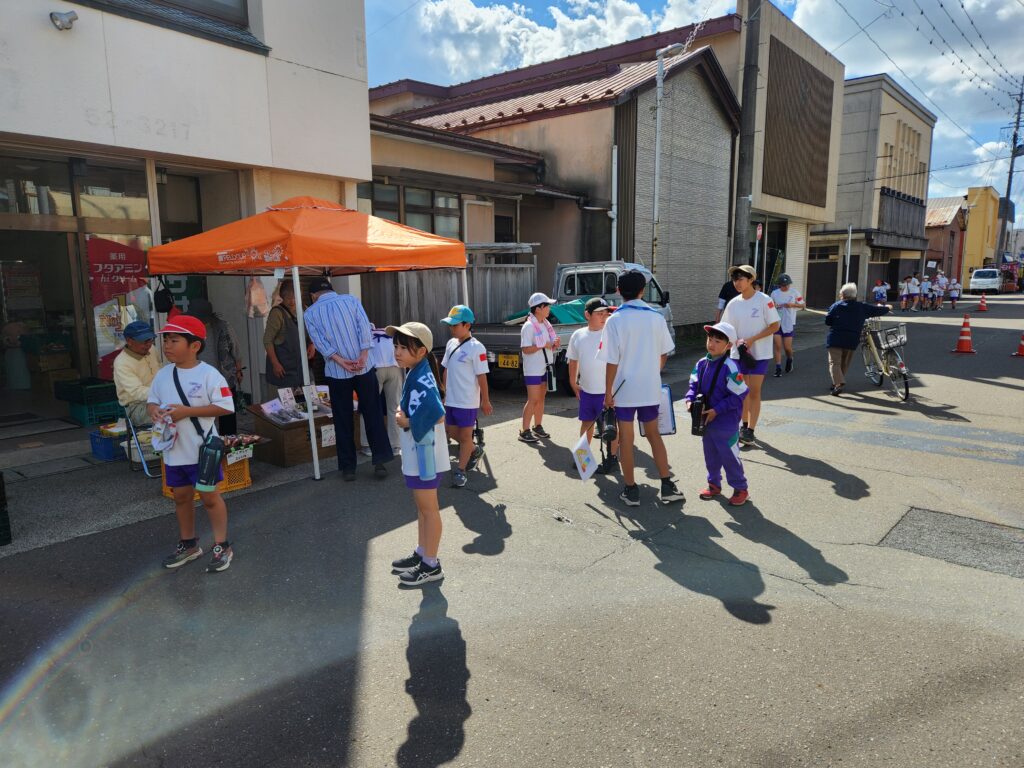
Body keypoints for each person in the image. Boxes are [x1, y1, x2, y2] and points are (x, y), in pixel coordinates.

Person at [147, 315, 236, 573]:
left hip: (202, 450)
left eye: (174, 340)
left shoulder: (210, 374)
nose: (167, 345)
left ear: (195, 345)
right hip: (174, 450)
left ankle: (222, 545)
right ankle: (188, 544)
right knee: (181, 497)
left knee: (210, 498)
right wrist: (154, 410)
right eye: (166, 340)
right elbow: (152, 400)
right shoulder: (163, 375)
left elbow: (225, 407)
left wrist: (187, 412)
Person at [599, 270, 685, 507]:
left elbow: (611, 361)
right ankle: (667, 485)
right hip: (649, 388)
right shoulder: (656, 317)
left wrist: (607, 392)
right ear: (642, 290)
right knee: (654, 434)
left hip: (623, 389)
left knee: (626, 439)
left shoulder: (614, 320)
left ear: (618, 291)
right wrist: (652, 372)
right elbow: (664, 353)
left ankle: (631, 490)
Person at [303, 277, 393, 481]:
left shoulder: (310, 313)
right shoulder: (351, 300)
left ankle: (348, 467)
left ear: (313, 295)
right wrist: (363, 355)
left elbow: (320, 342)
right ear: (331, 289)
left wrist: (341, 361)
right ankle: (380, 460)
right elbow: (364, 328)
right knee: (372, 412)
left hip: (337, 372)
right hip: (364, 367)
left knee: (342, 418)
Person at [387, 322, 447, 587]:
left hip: (425, 454)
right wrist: (404, 413)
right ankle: (423, 553)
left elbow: (438, 413)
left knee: (429, 509)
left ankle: (431, 564)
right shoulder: (416, 372)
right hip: (419, 451)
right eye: (396, 346)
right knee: (423, 508)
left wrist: (407, 421)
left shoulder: (421, 377)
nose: (397, 352)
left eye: (404, 347)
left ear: (421, 351)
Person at [684, 321, 750, 506]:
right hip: (705, 420)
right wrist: (689, 400)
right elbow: (693, 386)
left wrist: (717, 410)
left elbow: (740, 394)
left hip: (726, 422)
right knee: (710, 454)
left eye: (717, 341)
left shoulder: (731, 367)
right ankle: (713, 484)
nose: (711, 344)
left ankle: (740, 488)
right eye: (710, 339)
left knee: (729, 456)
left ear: (728, 346)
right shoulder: (701, 363)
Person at [721, 265, 780, 445]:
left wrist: (752, 340)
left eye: (741, 279)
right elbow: (726, 329)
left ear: (751, 280)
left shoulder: (764, 300)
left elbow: (775, 325)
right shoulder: (733, 303)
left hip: (759, 355)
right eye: (734, 279)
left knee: (754, 391)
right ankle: (744, 426)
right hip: (738, 355)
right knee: (742, 391)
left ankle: (751, 430)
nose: (737, 283)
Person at [440, 305, 492, 488]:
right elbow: (446, 369)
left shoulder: (477, 348)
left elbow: (482, 376)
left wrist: (485, 400)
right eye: (450, 325)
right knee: (451, 431)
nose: (451, 328)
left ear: (467, 325)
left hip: (467, 401)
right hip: (451, 400)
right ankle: (475, 450)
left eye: (455, 325)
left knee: (464, 436)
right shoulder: (450, 344)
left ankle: (460, 471)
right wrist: (444, 392)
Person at [567, 297, 618, 474]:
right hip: (587, 390)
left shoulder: (612, 335)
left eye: (606, 314)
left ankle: (612, 458)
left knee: (610, 427)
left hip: (607, 392)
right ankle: (583, 459)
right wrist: (573, 382)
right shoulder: (578, 335)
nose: (604, 317)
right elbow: (573, 360)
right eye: (599, 314)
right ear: (587, 315)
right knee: (586, 424)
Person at [825, 283, 892, 396]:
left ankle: (838, 383)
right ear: (854, 295)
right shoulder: (862, 307)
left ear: (842, 295)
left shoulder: (836, 306)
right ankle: (837, 382)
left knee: (834, 362)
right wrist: (888, 307)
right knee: (845, 362)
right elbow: (877, 310)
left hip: (835, 338)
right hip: (852, 338)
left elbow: (828, 321)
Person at [191, 297, 243, 435]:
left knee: (227, 413)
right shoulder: (188, 330)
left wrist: (238, 370)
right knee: (203, 416)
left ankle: (228, 441)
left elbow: (236, 350)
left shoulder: (223, 326)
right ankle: (208, 441)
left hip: (225, 378)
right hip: (198, 380)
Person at [519, 292, 559, 444]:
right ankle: (524, 430)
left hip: (546, 367)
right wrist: (543, 345)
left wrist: (554, 344)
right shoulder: (529, 326)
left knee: (541, 398)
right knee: (533, 399)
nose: (549, 308)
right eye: (546, 306)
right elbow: (525, 349)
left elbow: (548, 345)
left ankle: (537, 426)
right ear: (538, 309)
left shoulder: (546, 324)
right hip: (533, 369)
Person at [263, 281, 314, 395]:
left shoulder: (304, 309)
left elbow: (312, 330)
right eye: (288, 298)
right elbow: (267, 340)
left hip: (303, 369)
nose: (292, 301)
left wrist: (312, 344)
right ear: (282, 296)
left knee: (310, 401)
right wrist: (275, 364)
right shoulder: (277, 313)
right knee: (287, 404)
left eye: (295, 298)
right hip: (284, 370)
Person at [113, 320, 160, 425]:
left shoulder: (152, 349)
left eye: (150, 340)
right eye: (144, 341)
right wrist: (164, 393)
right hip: (137, 406)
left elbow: (161, 370)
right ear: (129, 341)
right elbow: (137, 392)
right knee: (170, 414)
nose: (149, 344)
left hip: (160, 398)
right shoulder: (122, 362)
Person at [369, 324, 403, 452]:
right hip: (394, 367)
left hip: (376, 368)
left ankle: (368, 445)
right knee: (394, 407)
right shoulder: (391, 336)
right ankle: (395, 444)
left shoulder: (368, 334)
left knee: (369, 405)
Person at [770, 274, 805, 377]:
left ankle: (790, 359)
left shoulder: (795, 292)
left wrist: (792, 305)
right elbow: (769, 306)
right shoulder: (774, 293)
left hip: (788, 322)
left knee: (787, 347)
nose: (786, 286)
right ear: (779, 285)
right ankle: (778, 368)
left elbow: (803, 305)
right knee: (777, 345)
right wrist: (774, 306)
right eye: (784, 285)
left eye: (787, 284)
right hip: (776, 322)